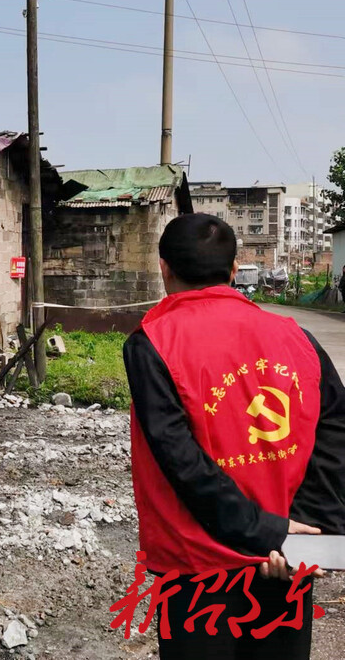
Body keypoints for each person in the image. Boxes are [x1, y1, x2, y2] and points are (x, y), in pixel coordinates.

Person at [124, 213, 345, 660]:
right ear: (233, 269)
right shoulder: (296, 337)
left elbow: (181, 461)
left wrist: (264, 532)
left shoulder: (151, 342)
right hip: (285, 559)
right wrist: (302, 535)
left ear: (164, 268)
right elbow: (335, 435)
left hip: (196, 567)